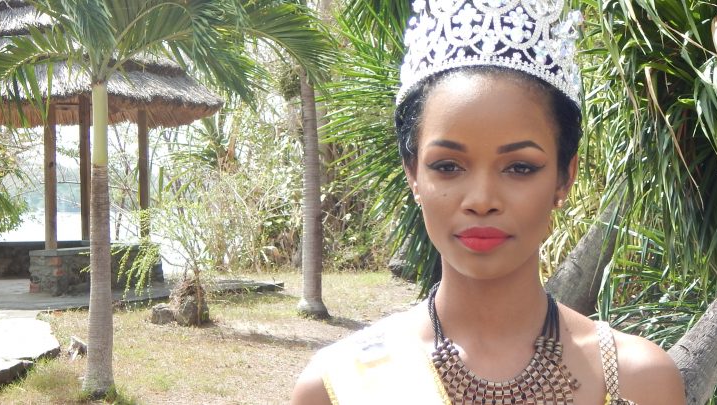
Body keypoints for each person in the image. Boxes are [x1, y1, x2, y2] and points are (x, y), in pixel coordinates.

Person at [291, 0, 685, 404]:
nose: (481, 201)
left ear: (564, 177)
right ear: (413, 174)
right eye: (447, 166)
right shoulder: (337, 385)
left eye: (519, 167)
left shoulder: (637, 378)